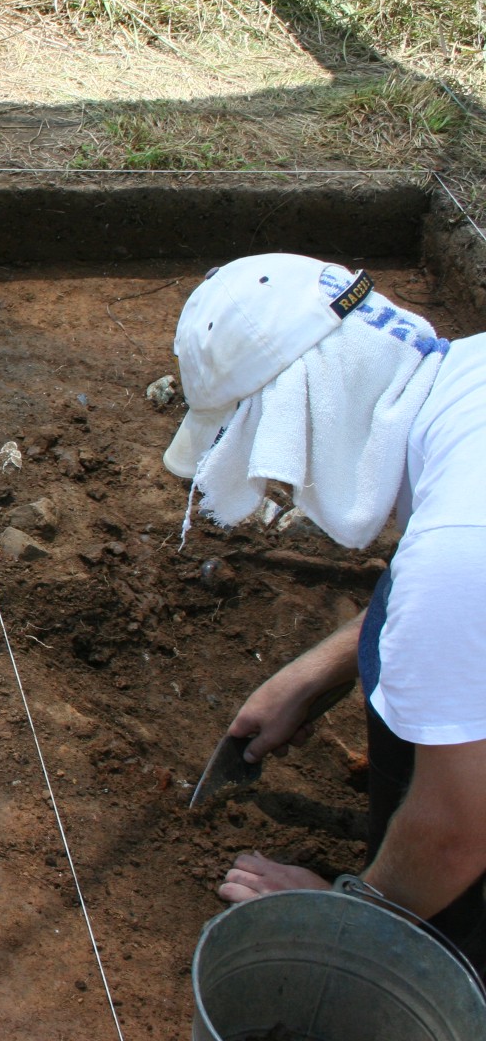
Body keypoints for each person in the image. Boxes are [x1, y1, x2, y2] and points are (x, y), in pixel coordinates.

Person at [163, 252, 486, 969]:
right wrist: (316, 672)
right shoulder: (470, 386)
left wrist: (342, 913)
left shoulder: (458, 552)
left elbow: (457, 832)